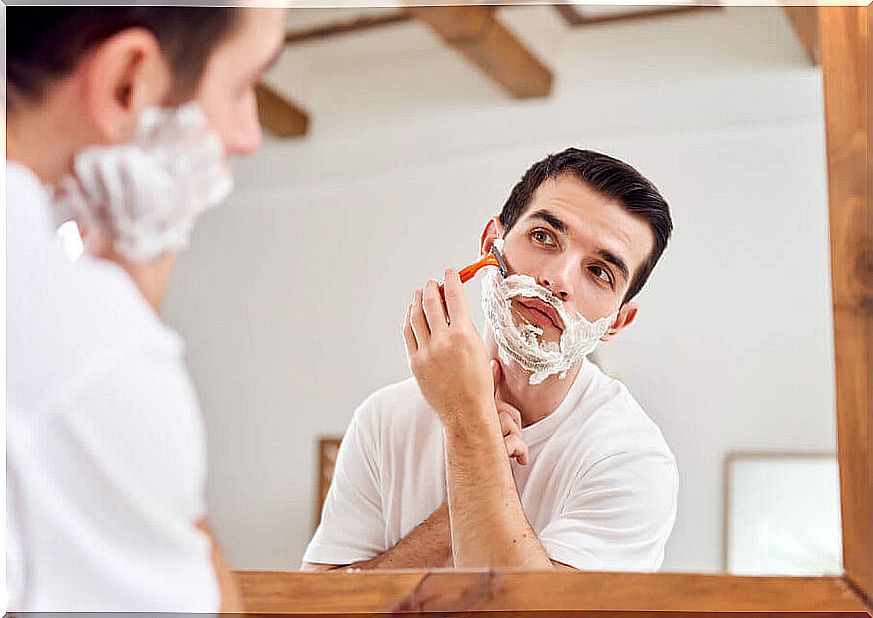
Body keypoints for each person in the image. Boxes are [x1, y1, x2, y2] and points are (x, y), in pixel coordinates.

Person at [6, 7, 286, 612]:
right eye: (242, 87)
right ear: (125, 82)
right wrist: (130, 313)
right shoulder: (86, 344)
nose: (249, 135)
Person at [302, 148, 678, 572]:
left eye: (600, 272)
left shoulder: (631, 458)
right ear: (489, 245)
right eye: (543, 237)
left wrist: (467, 425)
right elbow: (321, 604)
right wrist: (458, 508)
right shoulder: (384, 418)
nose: (558, 279)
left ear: (617, 322)